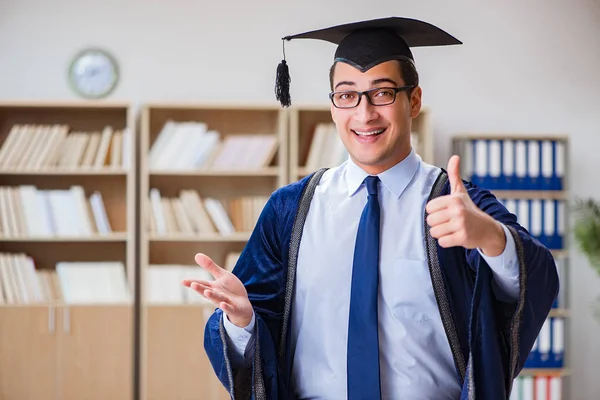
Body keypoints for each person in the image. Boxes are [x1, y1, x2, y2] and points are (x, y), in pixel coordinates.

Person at [183, 16, 559, 400]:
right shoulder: (290, 211)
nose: (364, 114)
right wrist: (242, 320)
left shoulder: (457, 205)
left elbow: (536, 278)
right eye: (347, 95)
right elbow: (255, 338)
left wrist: (491, 237)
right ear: (333, 107)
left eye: (382, 93)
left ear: (413, 101)